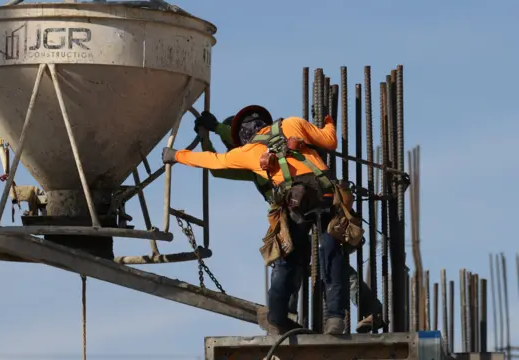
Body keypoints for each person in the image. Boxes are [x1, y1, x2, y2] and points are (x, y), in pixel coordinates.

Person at [163, 104, 348, 334]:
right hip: (326, 196)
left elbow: (214, 162)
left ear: (243, 135)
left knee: (287, 260)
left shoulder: (248, 153)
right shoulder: (291, 123)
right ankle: (335, 319)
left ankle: (278, 317)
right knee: (331, 252)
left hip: (296, 206)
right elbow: (330, 141)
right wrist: (329, 122)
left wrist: (177, 155)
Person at [194, 112, 384, 333]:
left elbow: (233, 148)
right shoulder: (250, 165)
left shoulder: (273, 144)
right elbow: (216, 167)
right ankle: (289, 317)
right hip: (296, 214)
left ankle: (363, 309)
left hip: (312, 203)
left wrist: (215, 127)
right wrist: (206, 137)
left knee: (322, 259)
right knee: (304, 260)